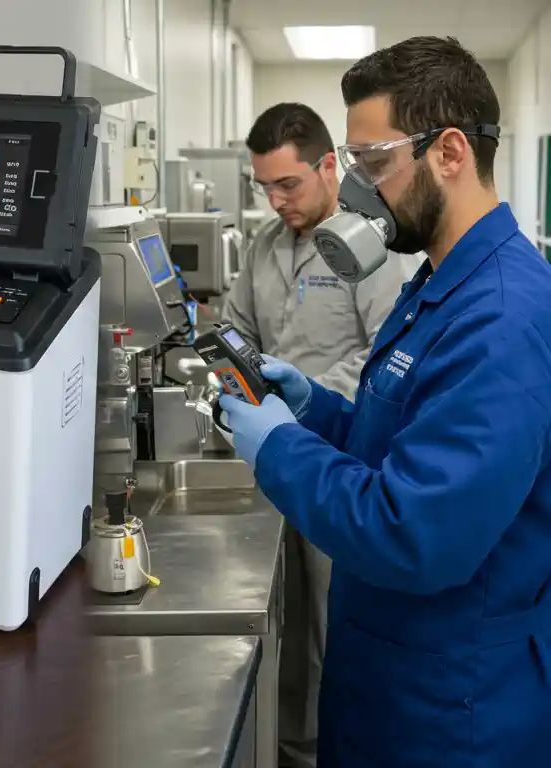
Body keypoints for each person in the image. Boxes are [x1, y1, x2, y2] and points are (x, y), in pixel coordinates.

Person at [219, 36, 551, 767]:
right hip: (390, 681)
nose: (361, 189)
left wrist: (277, 447)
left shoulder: (500, 316)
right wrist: (314, 412)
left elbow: (414, 532)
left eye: (374, 163)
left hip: (451, 709)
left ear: (450, 153)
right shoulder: (437, 280)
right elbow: (401, 447)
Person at [222, 102, 416, 768]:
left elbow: (384, 356)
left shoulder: (365, 247)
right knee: (289, 625)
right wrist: (240, 370)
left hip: (339, 459)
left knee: (338, 625)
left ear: (329, 165)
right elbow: (239, 329)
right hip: (276, 457)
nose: (277, 201)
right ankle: (294, 751)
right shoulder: (264, 246)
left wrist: (302, 391)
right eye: (265, 186)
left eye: (289, 184)